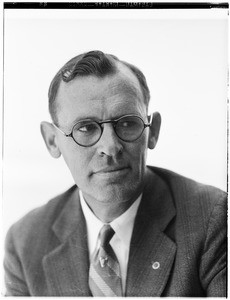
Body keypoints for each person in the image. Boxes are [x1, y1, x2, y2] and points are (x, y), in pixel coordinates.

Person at [4, 50, 226, 297]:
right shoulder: (25, 243)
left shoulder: (212, 219)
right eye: (86, 128)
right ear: (52, 141)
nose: (110, 148)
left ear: (152, 132)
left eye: (127, 123)